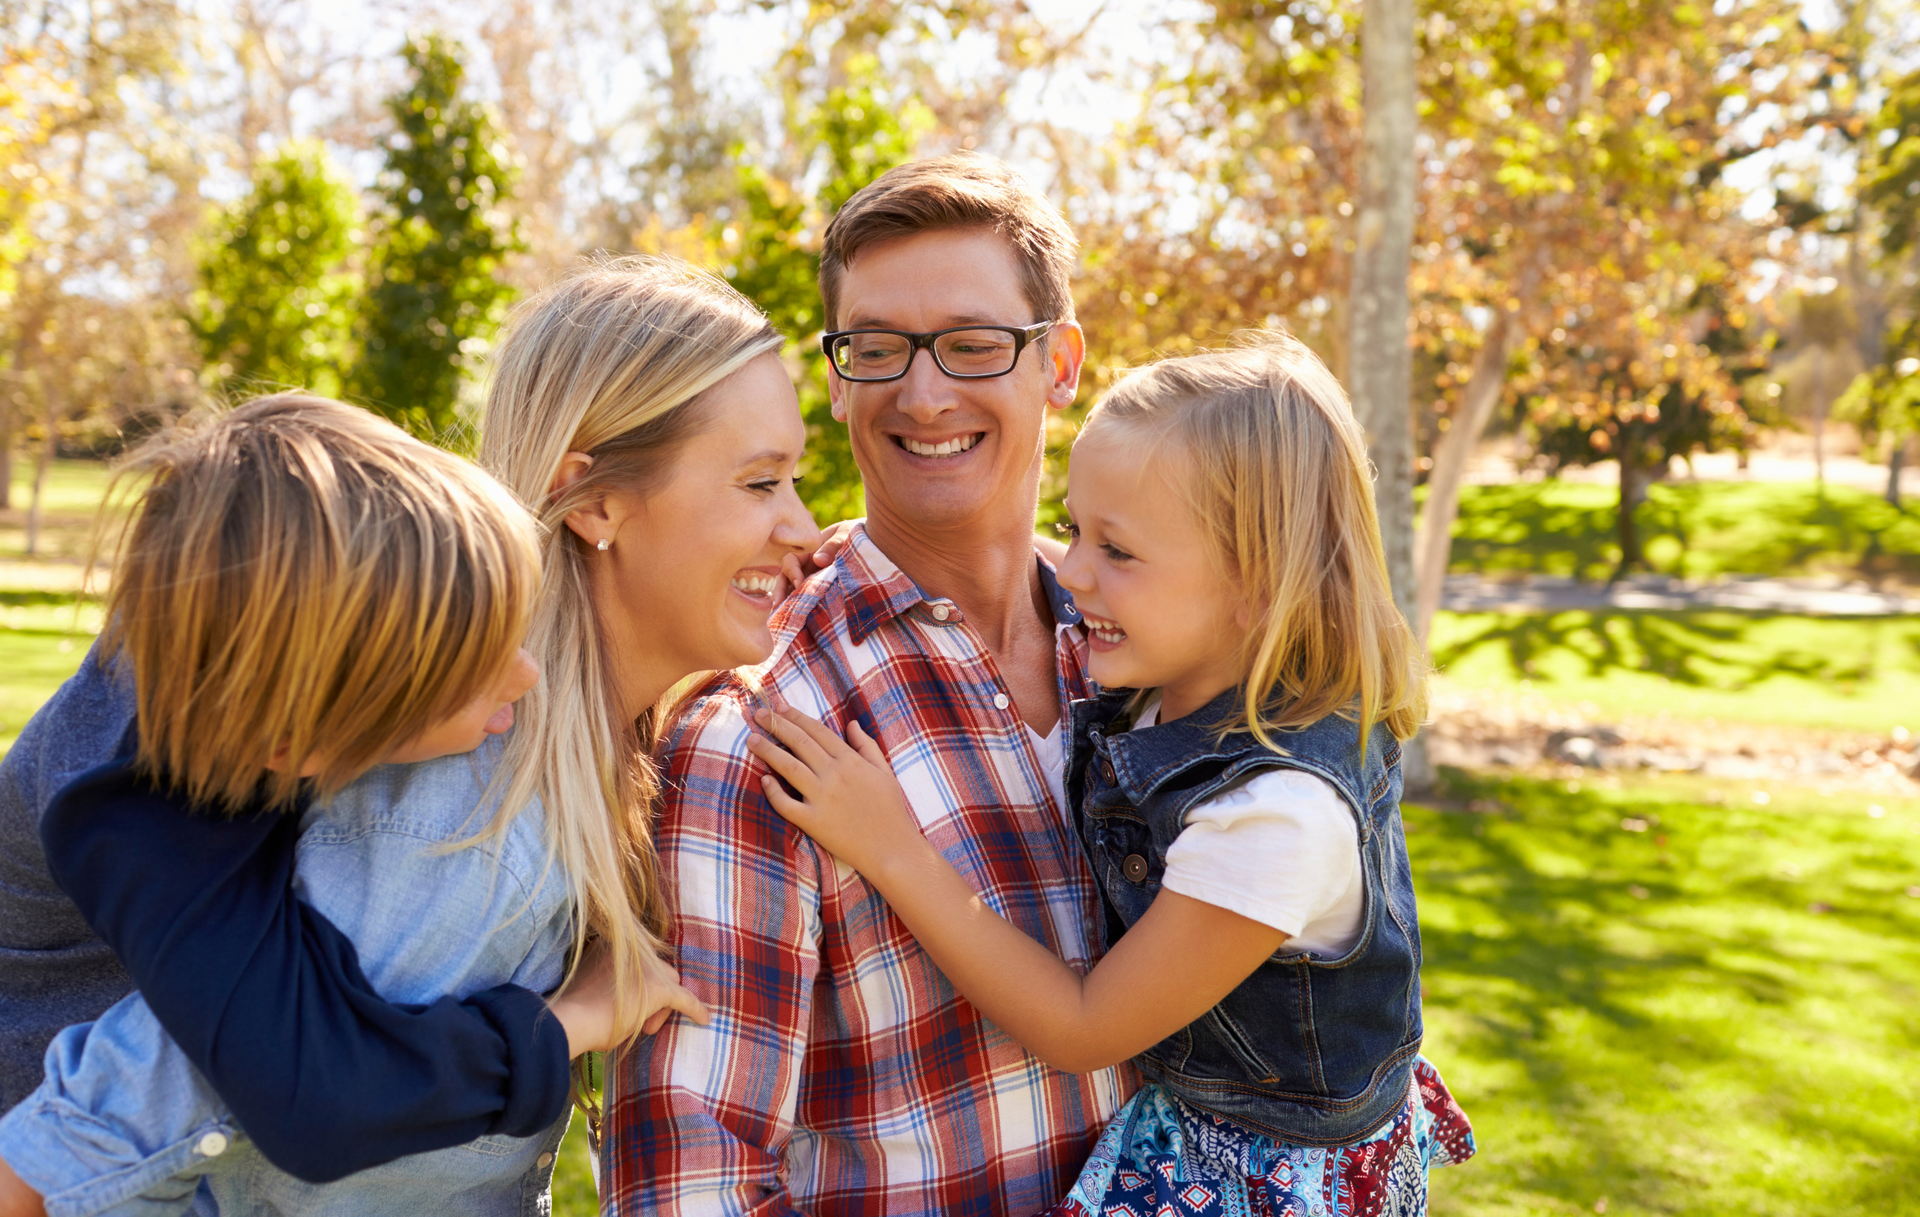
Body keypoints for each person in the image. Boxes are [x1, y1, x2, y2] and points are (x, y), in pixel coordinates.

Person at [0, 255, 818, 1215]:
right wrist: (567, 1022)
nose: (805, 526)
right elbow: (193, 1113)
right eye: (761, 482)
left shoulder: (486, 715)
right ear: (591, 501)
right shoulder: (448, 814)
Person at [748, 340, 1477, 1217]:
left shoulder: (1277, 815)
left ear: (1257, 584)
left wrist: (892, 850)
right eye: (1074, 528)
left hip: (1254, 1183)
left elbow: (1085, 1027)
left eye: (1118, 552)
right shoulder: (1165, 693)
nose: (1072, 572)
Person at [604, 154, 1135, 1215]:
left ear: (1061, 362)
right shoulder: (766, 721)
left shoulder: (1142, 655)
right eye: (879, 348)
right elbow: (692, 1187)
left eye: (975, 345)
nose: (923, 392)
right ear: (839, 377)